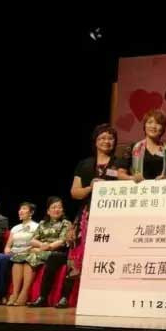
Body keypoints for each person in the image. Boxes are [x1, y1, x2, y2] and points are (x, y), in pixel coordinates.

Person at [53, 123, 122, 308]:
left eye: (110, 138)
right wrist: (91, 187)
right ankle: (65, 297)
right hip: (87, 215)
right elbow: (74, 192)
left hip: (112, 217)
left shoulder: (121, 163)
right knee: (77, 255)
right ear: (95, 141)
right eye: (102, 138)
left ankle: (101, 298)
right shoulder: (84, 164)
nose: (106, 141)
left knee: (105, 256)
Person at [0, 202, 39, 306]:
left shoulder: (36, 226)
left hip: (25, 253)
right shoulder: (15, 228)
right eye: (20, 209)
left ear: (31, 212)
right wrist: (7, 250)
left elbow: (34, 244)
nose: (21, 211)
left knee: (2, 260)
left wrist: (22, 252)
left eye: (24, 209)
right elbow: (8, 245)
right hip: (13, 253)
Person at [25, 196, 71, 307]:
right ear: (48, 211)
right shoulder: (42, 223)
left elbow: (62, 241)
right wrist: (41, 245)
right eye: (54, 207)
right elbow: (32, 240)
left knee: (51, 256)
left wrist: (47, 247)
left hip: (59, 252)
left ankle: (43, 297)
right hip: (43, 249)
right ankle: (20, 294)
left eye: (59, 207)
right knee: (19, 257)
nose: (57, 209)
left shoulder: (66, 223)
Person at [119, 109, 166, 182]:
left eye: (158, 123)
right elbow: (120, 174)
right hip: (138, 188)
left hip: (161, 188)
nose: (153, 126)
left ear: (163, 128)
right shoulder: (133, 147)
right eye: (150, 122)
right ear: (144, 125)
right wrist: (132, 178)